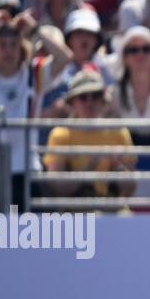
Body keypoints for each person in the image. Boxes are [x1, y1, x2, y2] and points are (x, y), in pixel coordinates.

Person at [0, 6, 72, 210]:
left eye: (13, 44)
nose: (8, 50)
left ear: (22, 48)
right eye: (1, 44)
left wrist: (36, 29)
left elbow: (65, 57)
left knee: (30, 238)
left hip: (26, 169)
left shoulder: (35, 74)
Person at [106, 24, 150, 199]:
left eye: (146, 49)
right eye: (133, 50)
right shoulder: (111, 94)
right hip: (126, 172)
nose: (140, 55)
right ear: (125, 58)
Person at [43, 68, 137, 200]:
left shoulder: (119, 132)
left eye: (96, 95)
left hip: (114, 214)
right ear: (73, 102)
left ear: (103, 99)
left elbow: (130, 190)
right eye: (83, 97)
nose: (89, 102)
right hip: (77, 215)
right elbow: (57, 188)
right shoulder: (60, 134)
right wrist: (88, 169)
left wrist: (117, 168)